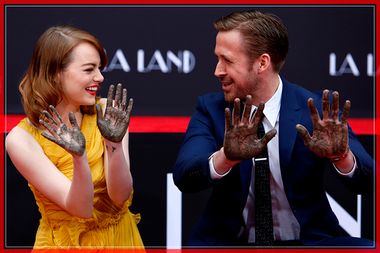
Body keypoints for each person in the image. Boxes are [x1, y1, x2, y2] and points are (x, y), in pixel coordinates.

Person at [173, 10, 374, 247]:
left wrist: (341, 157)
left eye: (227, 60)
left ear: (262, 63)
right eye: (218, 59)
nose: (217, 70)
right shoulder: (212, 109)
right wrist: (225, 158)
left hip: (308, 241)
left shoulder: (317, 112)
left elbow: (369, 181)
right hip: (229, 243)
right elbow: (185, 177)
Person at [6, 26, 144, 249]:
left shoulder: (108, 112)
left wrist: (113, 143)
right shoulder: (21, 140)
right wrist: (79, 158)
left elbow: (120, 196)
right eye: (89, 69)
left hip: (120, 241)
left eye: (100, 68)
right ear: (54, 73)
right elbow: (81, 208)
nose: (100, 77)